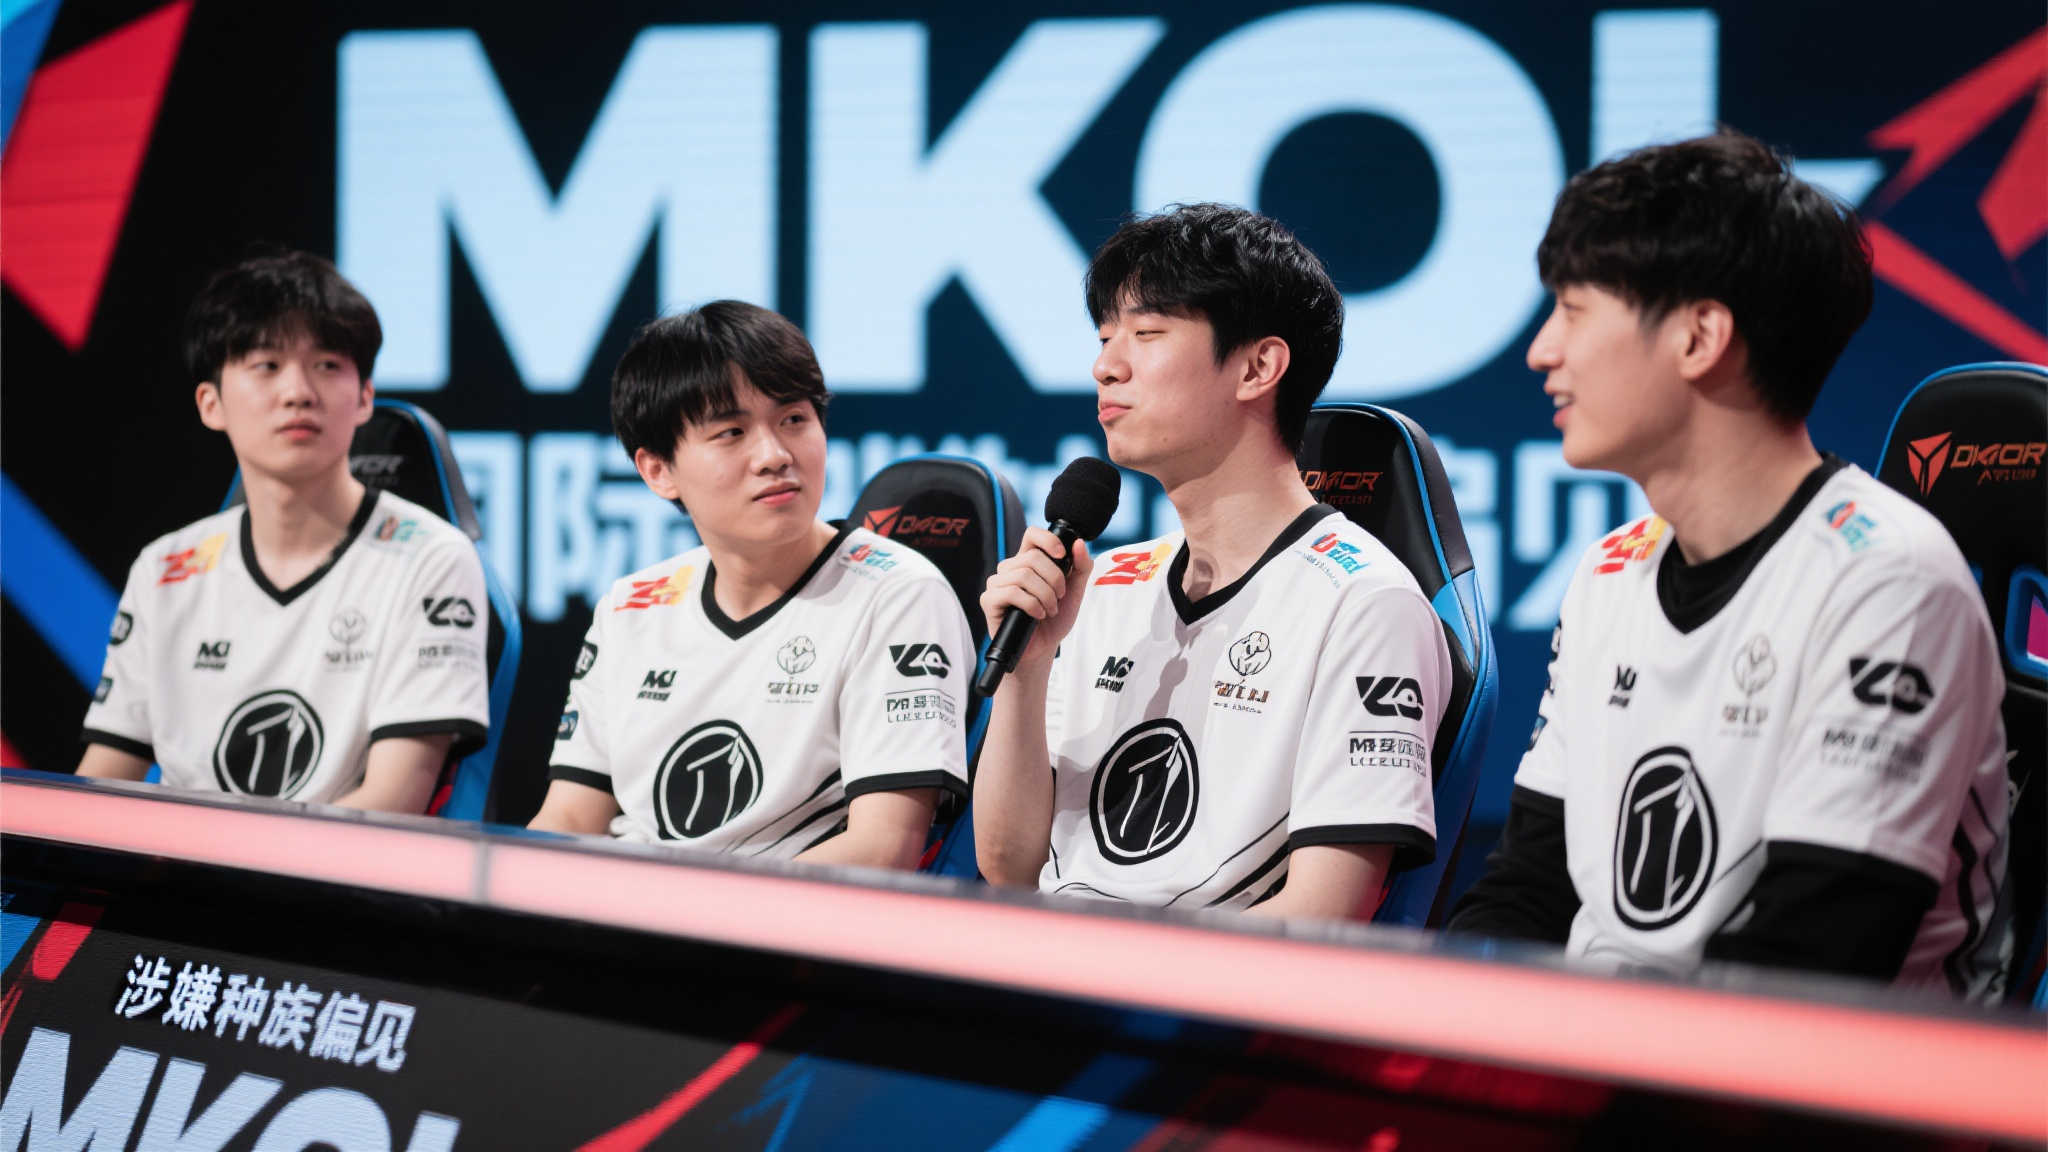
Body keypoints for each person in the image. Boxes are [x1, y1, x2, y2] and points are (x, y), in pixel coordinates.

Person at [1447, 130, 2011, 1000]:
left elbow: (1811, 964)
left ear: (1700, 337)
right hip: (1594, 1050)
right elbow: (1528, 886)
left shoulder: (1888, 579)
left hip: (1807, 1072)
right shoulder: (1608, 573)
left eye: (1574, 310)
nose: (1542, 351)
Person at [974, 204, 1448, 919]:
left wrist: (1123, 970)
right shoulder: (1106, 584)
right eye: (1104, 337)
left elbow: (1324, 913)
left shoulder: (1365, 602)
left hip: (1194, 984)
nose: (1105, 366)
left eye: (1146, 334)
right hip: (1051, 961)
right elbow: (1008, 866)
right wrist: (1028, 668)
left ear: (1258, 367)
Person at [530, 301, 971, 870]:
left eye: (794, 420)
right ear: (658, 470)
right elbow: (569, 819)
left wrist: (683, 910)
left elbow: (885, 846)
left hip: (784, 919)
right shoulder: (630, 606)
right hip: (621, 906)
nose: (774, 456)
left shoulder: (898, 594)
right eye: (732, 432)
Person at [79, 251, 490, 812]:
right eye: (267, 365)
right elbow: (102, 787)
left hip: (338, 869)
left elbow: (393, 802)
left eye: (327, 365)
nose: (298, 392)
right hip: (172, 865)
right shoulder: (166, 568)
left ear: (364, 397)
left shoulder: (431, 558)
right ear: (211, 404)